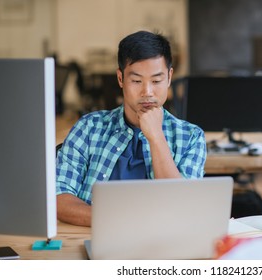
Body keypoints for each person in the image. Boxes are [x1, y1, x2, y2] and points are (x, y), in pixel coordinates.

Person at [56, 31, 207, 227]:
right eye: (136, 81)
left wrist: (156, 136)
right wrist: (121, 221)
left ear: (169, 77)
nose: (147, 92)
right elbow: (59, 199)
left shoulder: (191, 137)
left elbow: (181, 208)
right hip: (94, 241)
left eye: (156, 81)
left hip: (161, 246)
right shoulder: (88, 128)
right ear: (120, 79)